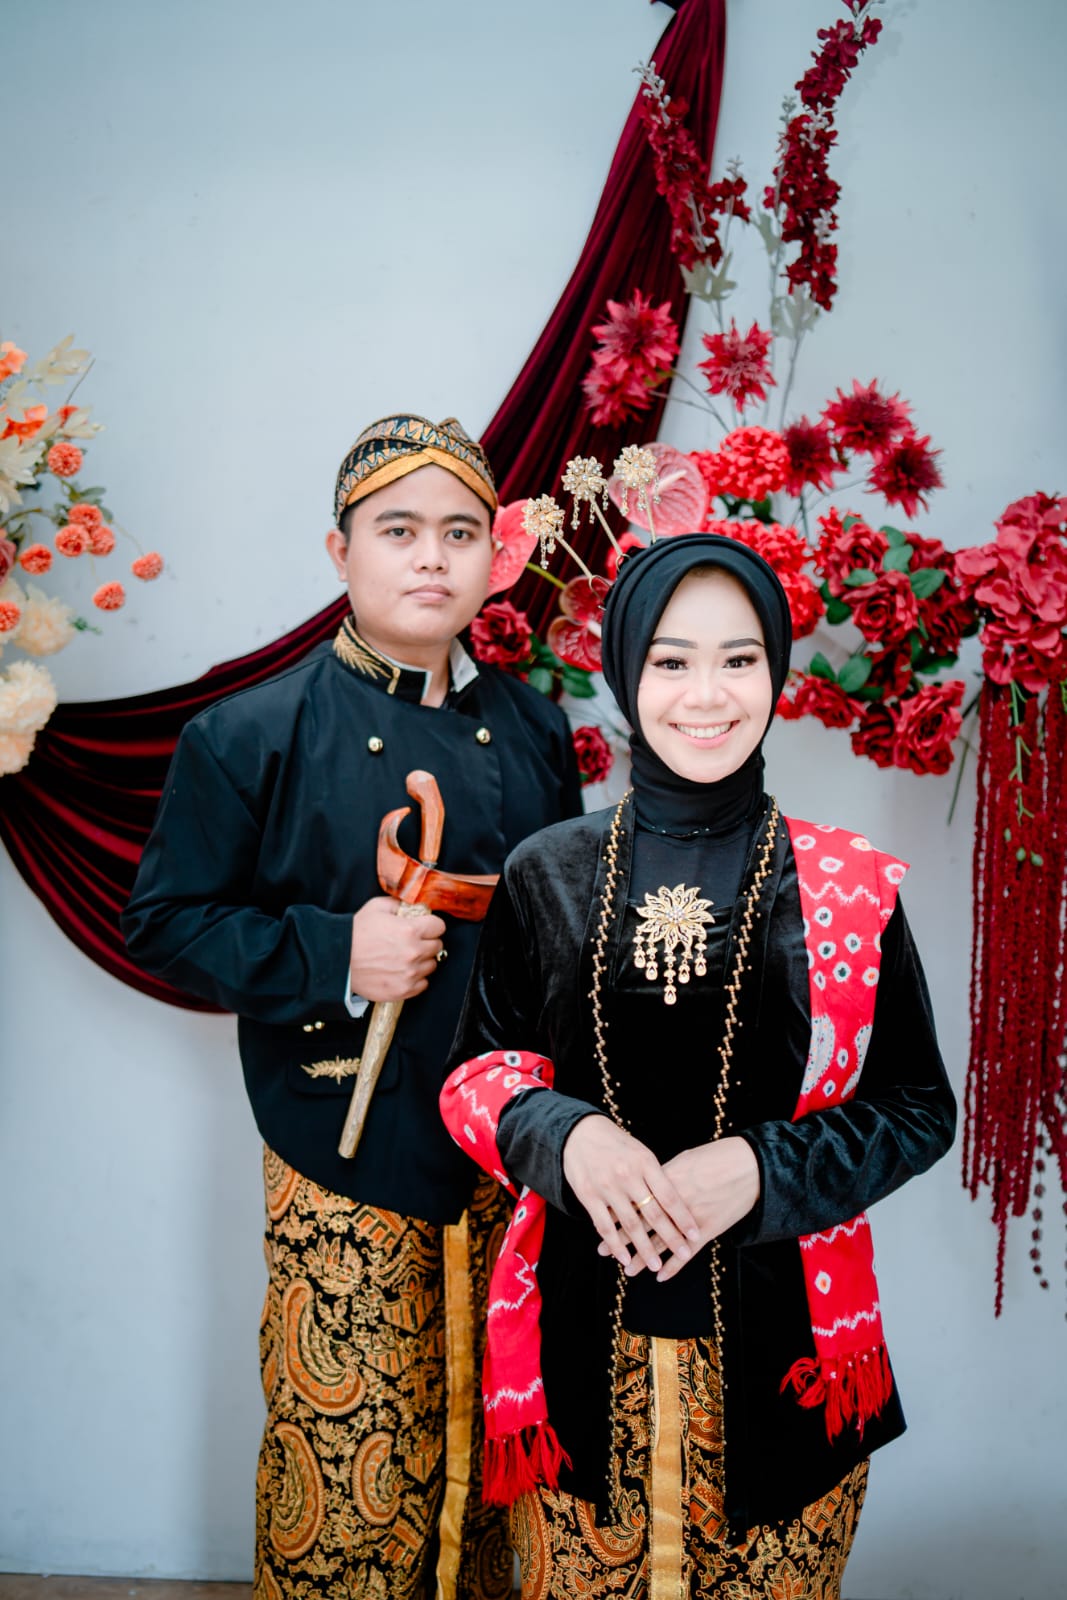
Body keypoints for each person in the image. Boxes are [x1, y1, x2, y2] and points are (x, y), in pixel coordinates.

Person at [440, 533, 956, 1598]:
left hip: (790, 1365)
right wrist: (566, 1136)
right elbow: (476, 1075)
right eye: (671, 661)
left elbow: (916, 1106)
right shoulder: (547, 870)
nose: (707, 695)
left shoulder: (846, 885)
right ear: (624, 671)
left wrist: (760, 1170)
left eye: (738, 659)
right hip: (576, 1359)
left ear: (775, 670)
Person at [123, 413, 582, 1600]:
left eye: (459, 532)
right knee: (346, 1477)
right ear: (340, 552)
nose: (430, 556)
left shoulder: (537, 729)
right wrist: (337, 950)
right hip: (341, 1148)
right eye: (397, 530)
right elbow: (163, 923)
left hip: (511, 1156)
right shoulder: (248, 733)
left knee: (501, 1470)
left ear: (494, 556)